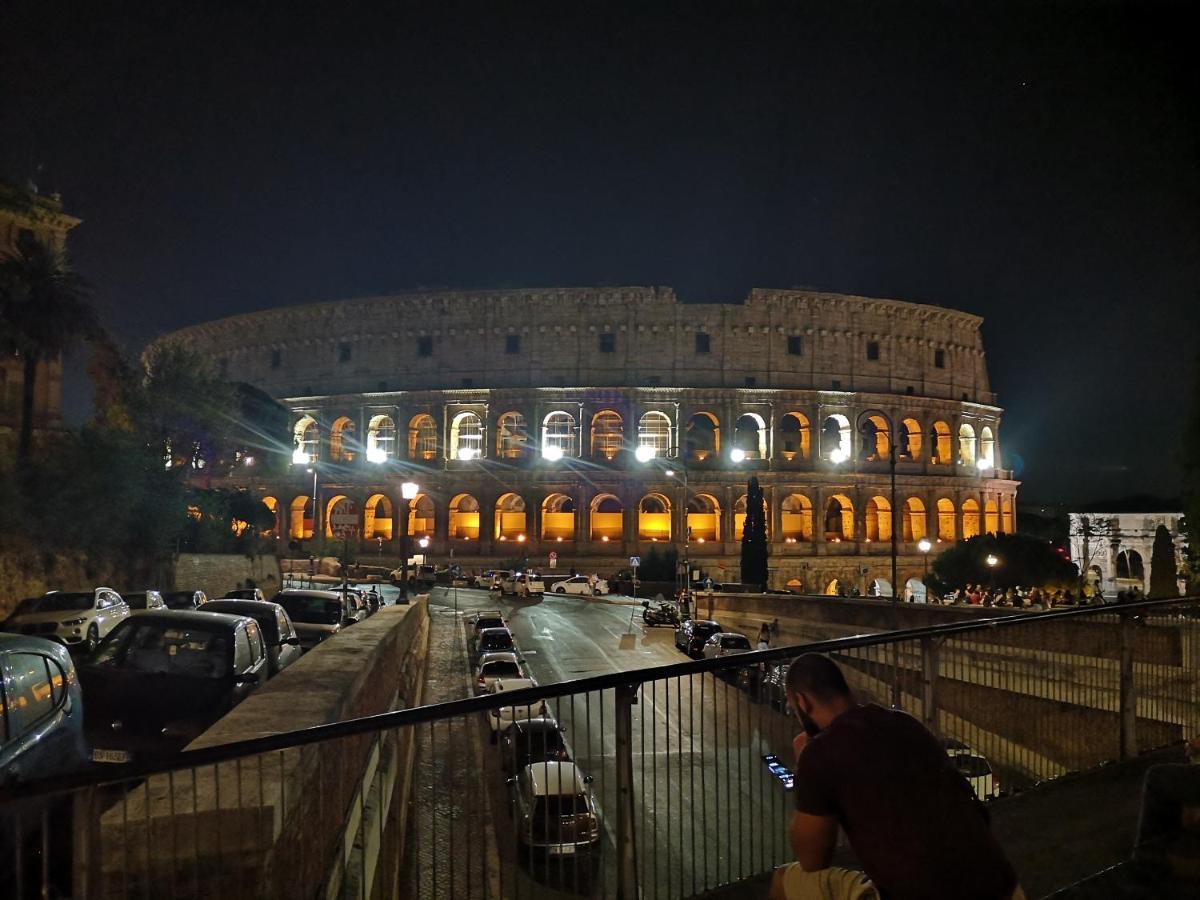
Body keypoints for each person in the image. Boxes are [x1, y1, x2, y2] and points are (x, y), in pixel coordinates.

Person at [769, 654, 1022, 900]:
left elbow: (812, 860)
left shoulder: (819, 752)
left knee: (784, 881)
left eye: (793, 708)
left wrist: (804, 769)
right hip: (1003, 886)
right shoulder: (906, 723)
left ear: (802, 702)